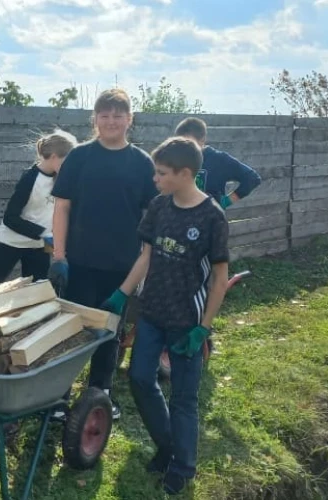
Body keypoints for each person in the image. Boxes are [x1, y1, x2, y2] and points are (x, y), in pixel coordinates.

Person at [100, 137, 230, 495]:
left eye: (160, 173)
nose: (154, 179)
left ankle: (183, 467)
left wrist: (203, 330)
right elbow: (146, 257)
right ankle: (168, 446)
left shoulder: (212, 217)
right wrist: (122, 293)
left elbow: (220, 280)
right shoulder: (159, 207)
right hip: (152, 313)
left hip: (187, 321)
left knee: (184, 398)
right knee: (140, 379)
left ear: (184, 174)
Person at [49, 88, 159, 421]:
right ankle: (59, 396)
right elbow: (62, 208)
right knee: (72, 330)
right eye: (104, 115)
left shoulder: (142, 164)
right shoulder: (79, 158)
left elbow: (151, 219)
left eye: (118, 115)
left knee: (110, 331)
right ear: (95, 119)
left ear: (130, 119)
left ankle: (101, 392)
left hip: (121, 268)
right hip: (79, 264)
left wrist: (142, 271)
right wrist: (59, 256)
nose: (111, 121)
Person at [0, 129, 78, 293]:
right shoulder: (30, 179)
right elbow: (10, 218)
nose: (70, 168)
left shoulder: (62, 180)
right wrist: (44, 232)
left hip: (39, 246)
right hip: (10, 242)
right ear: (53, 157)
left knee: (38, 293)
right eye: (67, 162)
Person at [174, 117, 262, 209]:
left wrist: (225, 202)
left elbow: (252, 178)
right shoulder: (175, 160)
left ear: (202, 140)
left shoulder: (219, 160)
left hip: (210, 220)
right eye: (179, 143)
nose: (184, 148)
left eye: (189, 143)